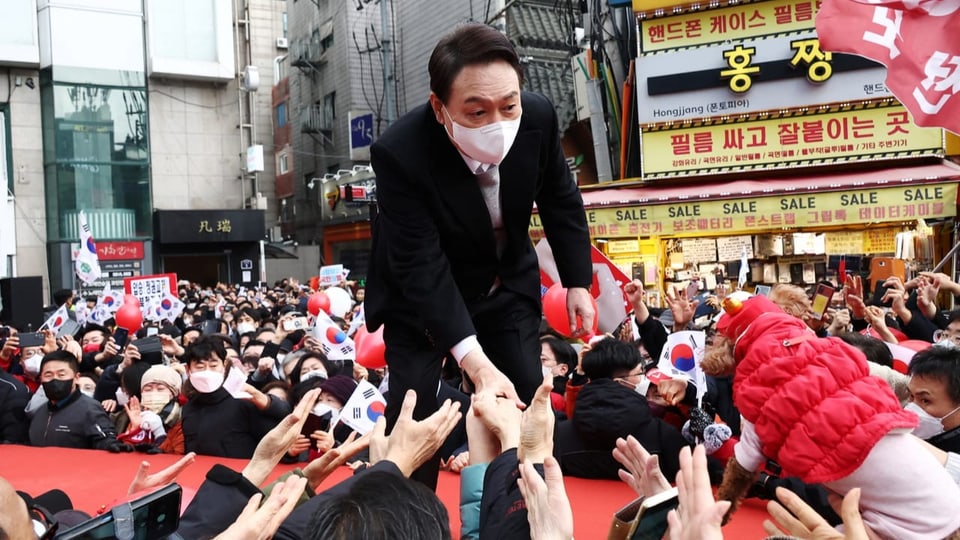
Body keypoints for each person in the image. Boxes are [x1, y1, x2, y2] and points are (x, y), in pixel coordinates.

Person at [365, 22, 595, 488]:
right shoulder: (400, 152)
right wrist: (475, 363)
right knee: (417, 417)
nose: (498, 123)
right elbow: (421, 265)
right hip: (422, 301)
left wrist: (576, 282)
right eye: (476, 111)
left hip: (502, 281)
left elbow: (560, 198)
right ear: (440, 107)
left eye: (507, 105)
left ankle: (523, 514)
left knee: (526, 404)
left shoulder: (537, 117)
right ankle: (412, 517)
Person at [180, 334, 292, 458]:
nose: (207, 372)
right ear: (188, 369)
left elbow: (272, 443)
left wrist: (289, 454)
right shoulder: (188, 408)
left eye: (213, 366)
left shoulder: (243, 400)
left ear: (224, 365)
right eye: (200, 367)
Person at [28, 350, 132, 452]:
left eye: (61, 374)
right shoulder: (39, 412)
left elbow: (105, 440)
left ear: (76, 378)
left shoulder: (90, 409)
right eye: (48, 375)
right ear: (41, 378)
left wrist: (112, 445)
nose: (55, 379)